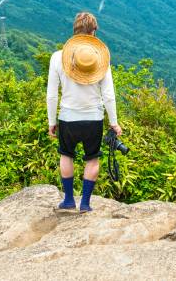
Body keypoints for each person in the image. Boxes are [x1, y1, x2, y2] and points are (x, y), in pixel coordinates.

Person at [47, 11, 122, 213]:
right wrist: (114, 122)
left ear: (75, 30)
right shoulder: (100, 58)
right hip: (93, 118)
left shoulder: (57, 57)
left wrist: (51, 121)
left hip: (67, 117)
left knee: (66, 156)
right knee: (92, 159)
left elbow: (52, 95)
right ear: (93, 31)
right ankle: (86, 204)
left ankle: (68, 200)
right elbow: (109, 95)